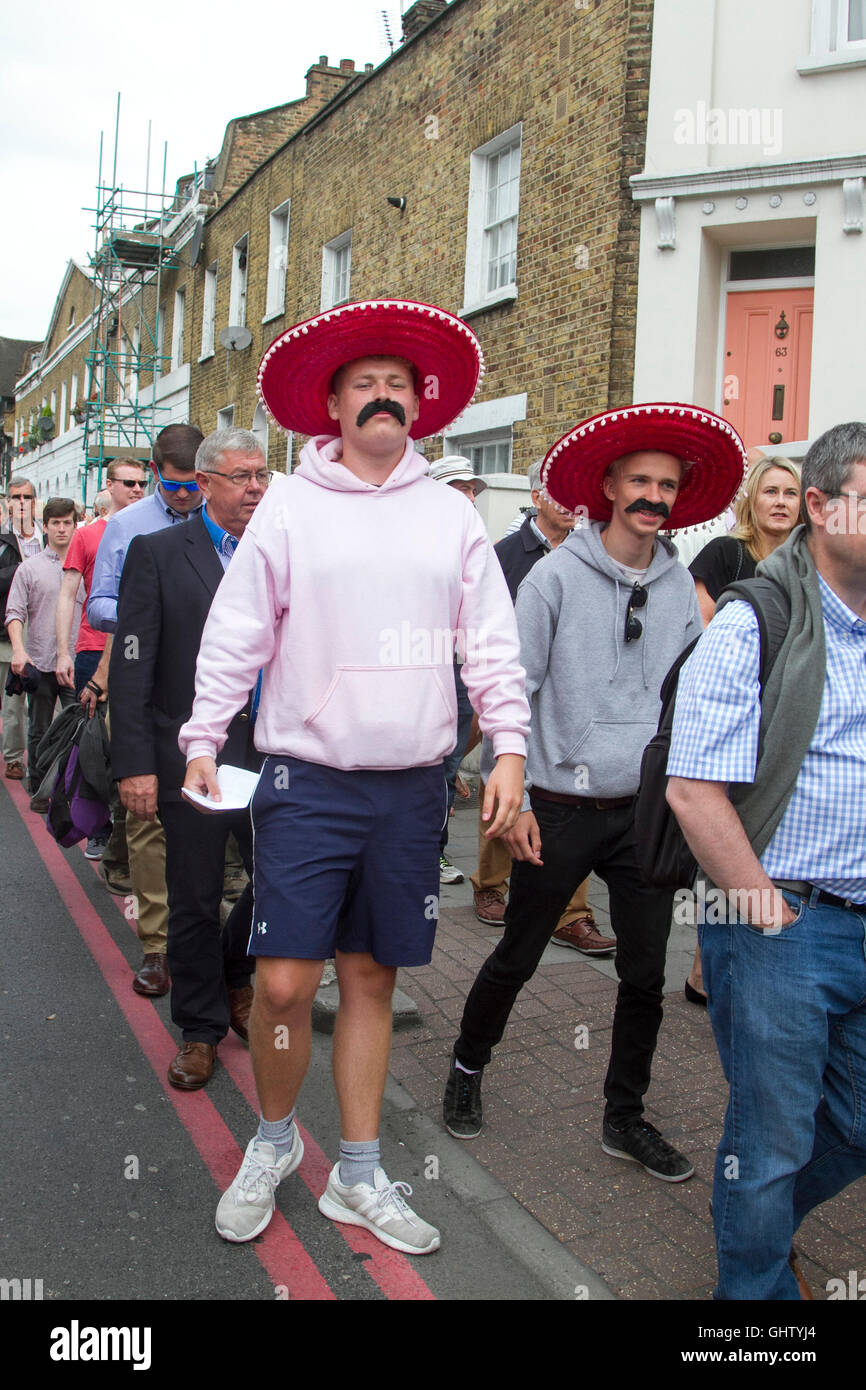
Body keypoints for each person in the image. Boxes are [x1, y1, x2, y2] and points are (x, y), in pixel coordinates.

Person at [180, 299, 529, 1252]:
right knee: (286, 987)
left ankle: (361, 1175)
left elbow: (490, 645)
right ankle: (276, 1142)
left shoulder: (450, 515)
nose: (384, 397)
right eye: (364, 384)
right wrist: (203, 736)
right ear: (331, 405)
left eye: (398, 385)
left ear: (419, 404)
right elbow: (237, 629)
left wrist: (509, 747)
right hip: (308, 780)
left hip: (412, 786)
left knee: (371, 977)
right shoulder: (289, 505)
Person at [442, 402, 745, 1182]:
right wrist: (513, 798)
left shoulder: (681, 587)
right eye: (639, 480)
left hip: (642, 812)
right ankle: (467, 1069)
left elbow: (687, 695)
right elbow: (512, 686)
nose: (652, 495)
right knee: (517, 953)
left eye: (666, 485)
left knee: (645, 972)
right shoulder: (552, 577)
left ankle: (625, 1116)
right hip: (558, 807)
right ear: (608, 487)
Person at [666, 420, 866, 1301]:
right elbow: (692, 790)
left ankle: (759, 1224)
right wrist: (766, 911)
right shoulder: (757, 620)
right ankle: (751, 1314)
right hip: (788, 923)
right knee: (774, 1136)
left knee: (856, 1124)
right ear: (819, 509)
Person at [110, 429, 267, 1090]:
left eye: (262, 475)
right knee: (196, 896)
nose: (255, 488)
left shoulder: (279, 551)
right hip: (190, 753)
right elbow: (131, 666)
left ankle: (236, 970)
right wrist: (135, 764)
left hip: (271, 751)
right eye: (240, 477)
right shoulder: (157, 553)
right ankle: (200, 1029)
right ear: (204, 483)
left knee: (282, 883)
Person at [470, 460, 613, 953]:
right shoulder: (506, 555)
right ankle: (491, 885)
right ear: (534, 497)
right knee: (507, 785)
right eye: (556, 491)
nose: (570, 504)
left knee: (572, 804)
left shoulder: (594, 555)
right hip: (514, 690)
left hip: (575, 697)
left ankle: (572, 914)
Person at [88, 423, 204, 997]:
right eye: (174, 486)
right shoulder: (127, 528)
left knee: (213, 821)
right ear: (156, 472)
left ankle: (207, 939)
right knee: (148, 819)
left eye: (193, 486)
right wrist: (149, 612)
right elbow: (100, 602)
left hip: (211, 696)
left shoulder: (229, 524)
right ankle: (157, 947)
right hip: (144, 686)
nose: (185, 497)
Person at [683, 454, 802, 1005]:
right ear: (751, 500)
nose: (780, 502)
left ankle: (708, 965)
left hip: (784, 719)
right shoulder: (728, 553)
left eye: (791, 493)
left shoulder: (810, 566)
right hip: (731, 709)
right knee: (721, 822)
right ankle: (709, 963)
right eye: (770, 491)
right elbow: (698, 625)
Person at [427, 455, 487, 885]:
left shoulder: (477, 544)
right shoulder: (420, 540)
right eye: (460, 487)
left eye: (472, 489)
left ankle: (436, 852)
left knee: (448, 768)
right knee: (424, 765)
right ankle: (416, 852)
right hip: (423, 669)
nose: (469, 496)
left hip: (461, 670)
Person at [5, 498, 81, 798]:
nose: (62, 529)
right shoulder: (29, 568)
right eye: (56, 523)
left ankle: (73, 791)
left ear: (75, 525)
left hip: (79, 661)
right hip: (40, 660)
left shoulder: (88, 565)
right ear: (46, 526)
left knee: (81, 732)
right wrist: (18, 650)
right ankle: (39, 789)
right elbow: (14, 612)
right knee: (39, 730)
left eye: (67, 523)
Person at [0, 485, 32, 781]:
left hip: (40, 635)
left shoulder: (47, 537)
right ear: (9, 503)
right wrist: (21, 571)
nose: (22, 503)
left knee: (32, 705)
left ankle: (27, 760)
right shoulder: (3, 540)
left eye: (28, 497)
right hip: (5, 633)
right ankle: (12, 758)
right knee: (11, 703)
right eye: (17, 498)